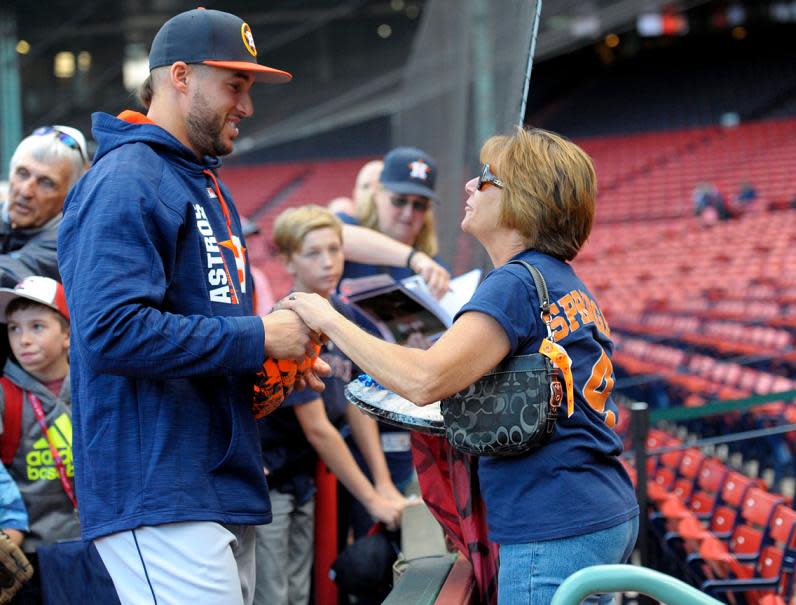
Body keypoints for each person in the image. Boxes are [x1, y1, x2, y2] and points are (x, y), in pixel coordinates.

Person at [281, 127, 640, 605]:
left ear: (521, 201)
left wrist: (326, 316)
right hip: (594, 508)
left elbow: (424, 379)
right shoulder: (557, 278)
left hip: (554, 520)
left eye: (486, 179)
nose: (470, 187)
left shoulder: (514, 283)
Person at [56, 8, 327, 605]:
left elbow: (203, 333)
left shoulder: (197, 180)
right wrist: (258, 338)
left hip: (214, 482)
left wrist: (271, 367)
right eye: (235, 85)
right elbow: (110, 331)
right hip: (157, 490)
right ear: (180, 76)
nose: (247, 106)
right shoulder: (126, 176)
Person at [254, 205, 406, 605]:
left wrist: (384, 483)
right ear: (288, 260)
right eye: (313, 253)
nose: (328, 262)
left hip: (303, 475)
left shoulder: (344, 315)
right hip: (269, 477)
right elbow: (318, 427)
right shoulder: (288, 321)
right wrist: (373, 500)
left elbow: (358, 402)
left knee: (302, 589)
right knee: (274, 592)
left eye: (335, 250)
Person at [334, 146, 449, 536]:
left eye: (419, 205)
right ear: (376, 196)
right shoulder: (350, 237)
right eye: (399, 200)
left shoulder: (431, 274)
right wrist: (413, 257)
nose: (407, 213)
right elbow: (334, 234)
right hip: (350, 431)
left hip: (408, 431)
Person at [0, 276, 78, 603]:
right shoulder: (4, 395)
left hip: (100, 544)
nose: (24, 340)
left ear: (67, 335)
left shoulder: (96, 387)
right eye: (14, 328)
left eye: (37, 327)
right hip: (32, 555)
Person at [1, 126, 88, 288]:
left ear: (70, 196)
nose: (26, 191)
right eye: (22, 173)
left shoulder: (71, 242)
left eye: (46, 183)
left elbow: (11, 273)